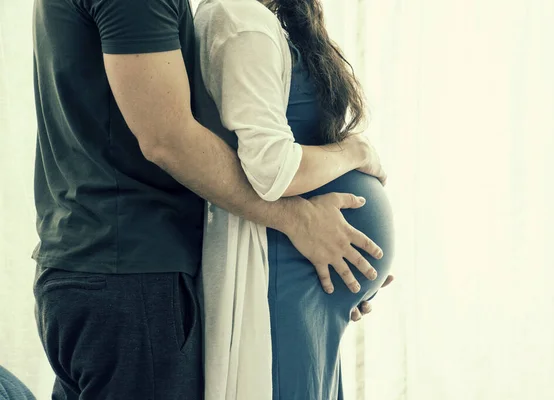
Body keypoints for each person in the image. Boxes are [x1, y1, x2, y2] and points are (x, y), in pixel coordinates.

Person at [31, 0, 391, 398]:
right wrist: (302, 220)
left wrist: (345, 274)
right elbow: (169, 141)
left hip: (103, 267)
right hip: (129, 273)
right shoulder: (226, 18)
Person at [194, 0, 396, 399]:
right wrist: (355, 153)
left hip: (312, 281)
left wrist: (355, 282)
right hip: (282, 274)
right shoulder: (239, 19)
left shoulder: (274, 21)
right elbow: (272, 169)